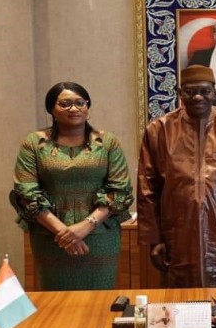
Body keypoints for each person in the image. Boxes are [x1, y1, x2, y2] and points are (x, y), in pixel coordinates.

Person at [137, 65, 216, 288]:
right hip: (177, 233)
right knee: (178, 299)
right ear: (180, 94)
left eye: (204, 91)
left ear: (215, 92)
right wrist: (154, 239)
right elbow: (147, 189)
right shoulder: (159, 130)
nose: (198, 97)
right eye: (190, 92)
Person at [11, 82, 133, 290]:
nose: (74, 108)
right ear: (51, 109)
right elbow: (26, 193)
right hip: (51, 237)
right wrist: (65, 233)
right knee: (55, 301)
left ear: (88, 106)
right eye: (65, 104)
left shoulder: (107, 143)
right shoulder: (33, 143)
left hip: (100, 235)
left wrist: (85, 226)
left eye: (80, 103)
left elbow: (119, 190)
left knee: (100, 299)